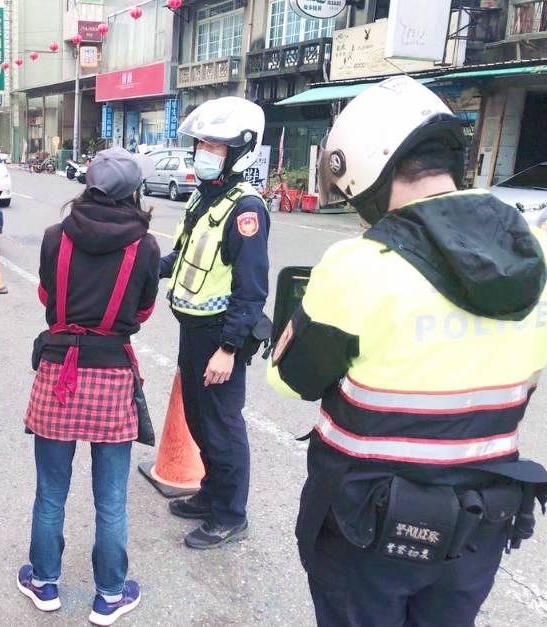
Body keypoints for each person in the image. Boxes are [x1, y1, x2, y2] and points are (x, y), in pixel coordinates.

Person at [267, 75, 547, 626]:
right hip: (481, 520)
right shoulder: (533, 252)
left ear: (370, 173)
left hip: (367, 524)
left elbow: (291, 380)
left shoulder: (357, 266)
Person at [18, 147, 160, 626]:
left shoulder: (55, 237)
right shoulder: (145, 246)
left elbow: (46, 297)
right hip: (112, 377)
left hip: (59, 372)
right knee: (112, 499)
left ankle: (44, 582)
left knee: (51, 493)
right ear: (133, 192)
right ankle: (110, 595)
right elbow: (141, 313)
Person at [160, 97, 270, 549]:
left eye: (214, 146)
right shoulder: (205, 200)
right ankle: (210, 494)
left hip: (220, 335)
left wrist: (228, 348)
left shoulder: (246, 210)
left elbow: (251, 288)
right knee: (199, 421)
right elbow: (181, 257)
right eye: (201, 143)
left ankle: (230, 514)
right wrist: (137, 262)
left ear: (240, 152)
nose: (203, 151)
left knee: (223, 426)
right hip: (192, 330)